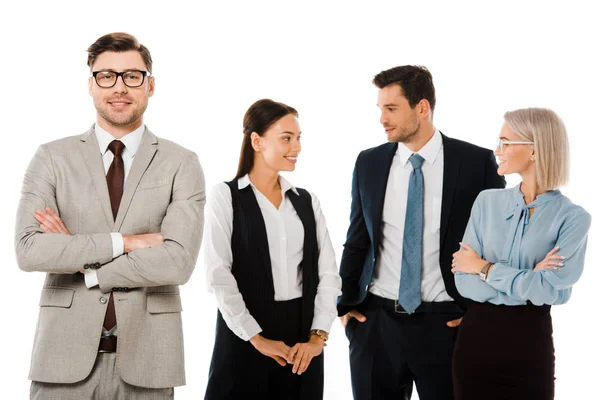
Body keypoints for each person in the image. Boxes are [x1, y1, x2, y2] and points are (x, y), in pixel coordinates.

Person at [14, 32, 205, 399]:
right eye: (107, 76)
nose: (119, 87)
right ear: (90, 85)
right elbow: (30, 251)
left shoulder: (182, 163)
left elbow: (177, 262)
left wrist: (85, 266)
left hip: (149, 362)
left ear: (150, 85)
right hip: (62, 360)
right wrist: (126, 242)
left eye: (132, 76)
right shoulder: (51, 158)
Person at [337, 65, 506, 400]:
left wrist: (480, 315)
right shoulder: (368, 162)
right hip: (376, 324)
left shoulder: (477, 163)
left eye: (391, 108)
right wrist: (344, 305)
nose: (382, 119)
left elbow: (498, 245)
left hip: (445, 325)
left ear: (422, 108)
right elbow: (358, 238)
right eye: (380, 109)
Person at [203, 99, 342, 399]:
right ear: (256, 141)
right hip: (243, 336)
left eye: (298, 138)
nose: (297, 147)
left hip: (301, 345)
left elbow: (328, 274)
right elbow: (218, 275)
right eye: (286, 138)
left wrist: (318, 338)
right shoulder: (225, 197)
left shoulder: (307, 201)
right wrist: (257, 338)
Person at [451, 107, 591, 399]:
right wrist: (528, 279)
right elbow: (463, 280)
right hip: (475, 342)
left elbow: (549, 290)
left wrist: (484, 268)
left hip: (529, 345)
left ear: (535, 150)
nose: (497, 150)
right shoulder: (486, 202)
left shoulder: (573, 217)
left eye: (506, 141)